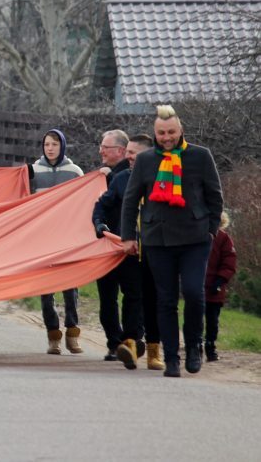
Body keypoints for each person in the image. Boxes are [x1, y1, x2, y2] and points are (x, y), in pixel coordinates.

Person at [121, 105, 223, 378]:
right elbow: (130, 201)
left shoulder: (200, 156)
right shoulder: (145, 161)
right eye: (161, 133)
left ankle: (193, 347)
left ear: (181, 131)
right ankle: (171, 358)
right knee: (165, 300)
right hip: (158, 240)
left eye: (171, 132)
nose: (167, 137)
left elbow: (215, 197)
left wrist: (211, 230)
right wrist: (128, 236)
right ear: (155, 133)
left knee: (193, 292)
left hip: (195, 238)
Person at [92, 133, 150, 369]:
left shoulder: (160, 177)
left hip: (136, 251)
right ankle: (115, 343)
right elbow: (101, 206)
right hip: (111, 246)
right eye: (127, 153)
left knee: (135, 297)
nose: (128, 157)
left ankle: (131, 341)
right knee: (107, 298)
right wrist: (99, 225)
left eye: (132, 153)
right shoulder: (120, 178)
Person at [31, 129, 85, 355]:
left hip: (67, 236)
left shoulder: (74, 172)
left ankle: (72, 333)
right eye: (46, 144)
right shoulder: (34, 171)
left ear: (62, 146)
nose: (50, 148)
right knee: (46, 288)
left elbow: (83, 198)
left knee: (70, 287)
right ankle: (53, 335)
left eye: (54, 144)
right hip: (43, 238)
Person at [204, 211, 237, 362]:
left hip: (215, 287)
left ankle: (210, 345)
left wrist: (220, 280)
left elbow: (229, 262)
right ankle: (196, 343)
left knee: (212, 320)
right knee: (196, 317)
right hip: (199, 285)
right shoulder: (198, 235)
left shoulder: (223, 238)